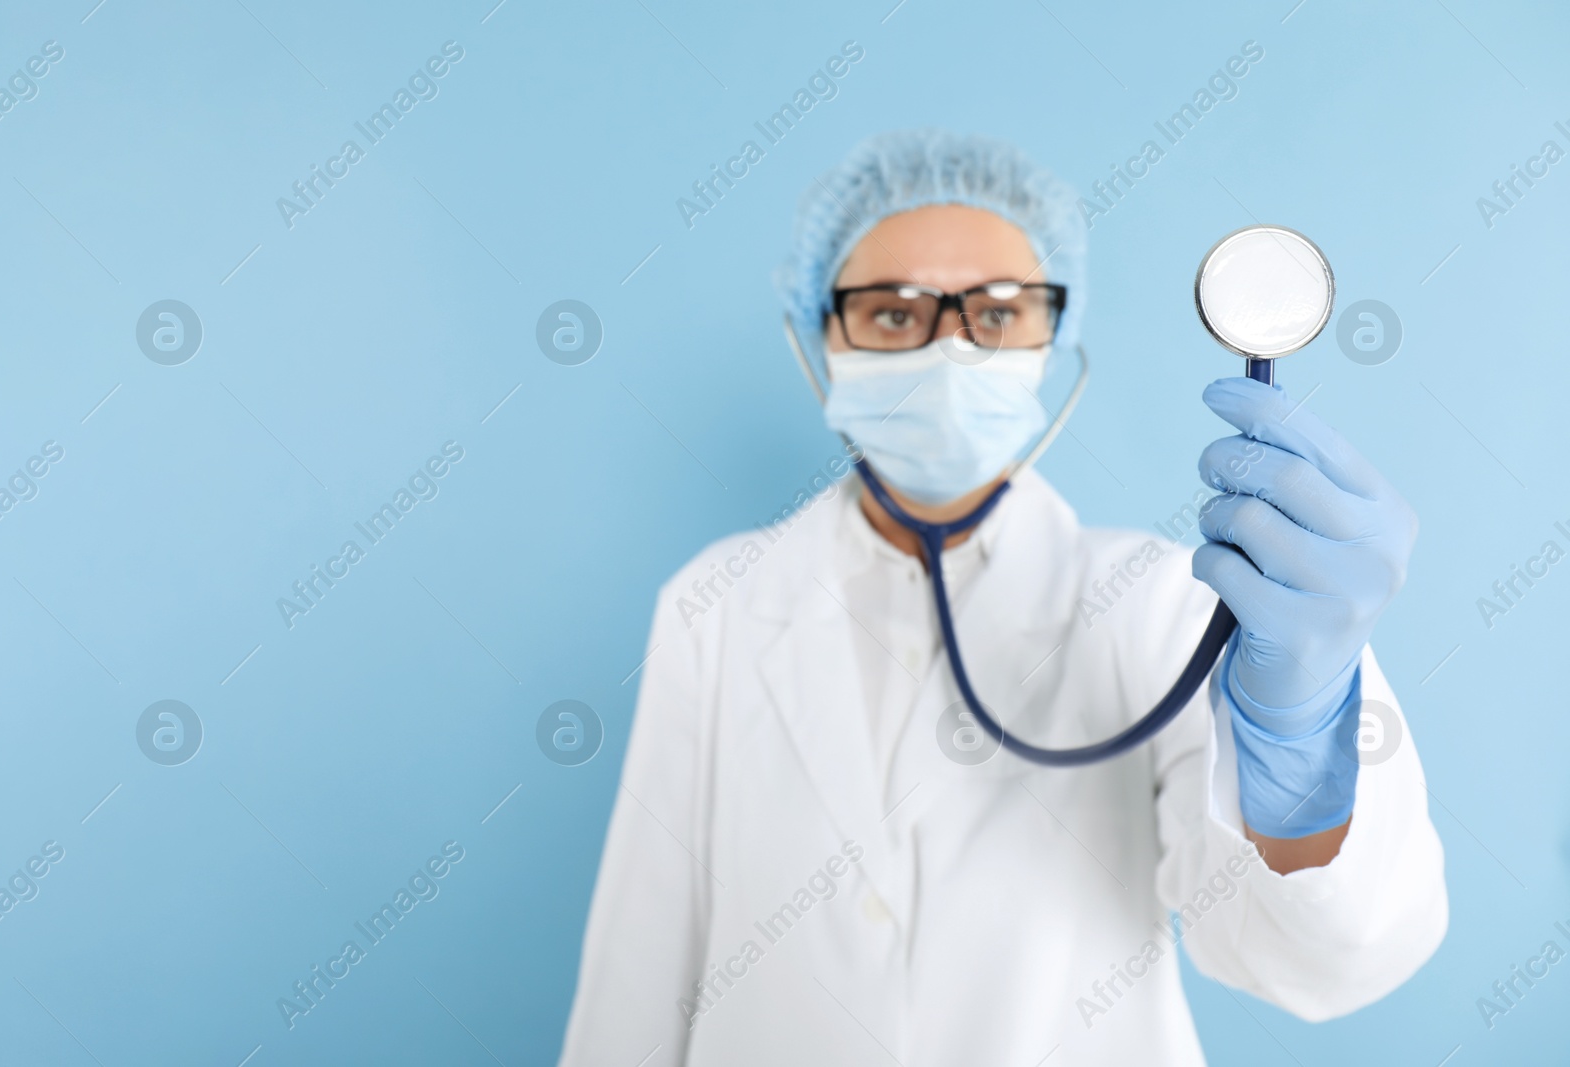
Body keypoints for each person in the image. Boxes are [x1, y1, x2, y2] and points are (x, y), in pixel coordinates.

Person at [559, 129, 1446, 1066]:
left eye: (996, 312)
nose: (949, 347)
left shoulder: (1155, 605)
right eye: (893, 315)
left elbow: (1317, 959)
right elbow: (641, 965)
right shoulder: (719, 604)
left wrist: (1302, 757)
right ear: (820, 330)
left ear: (1053, 337)